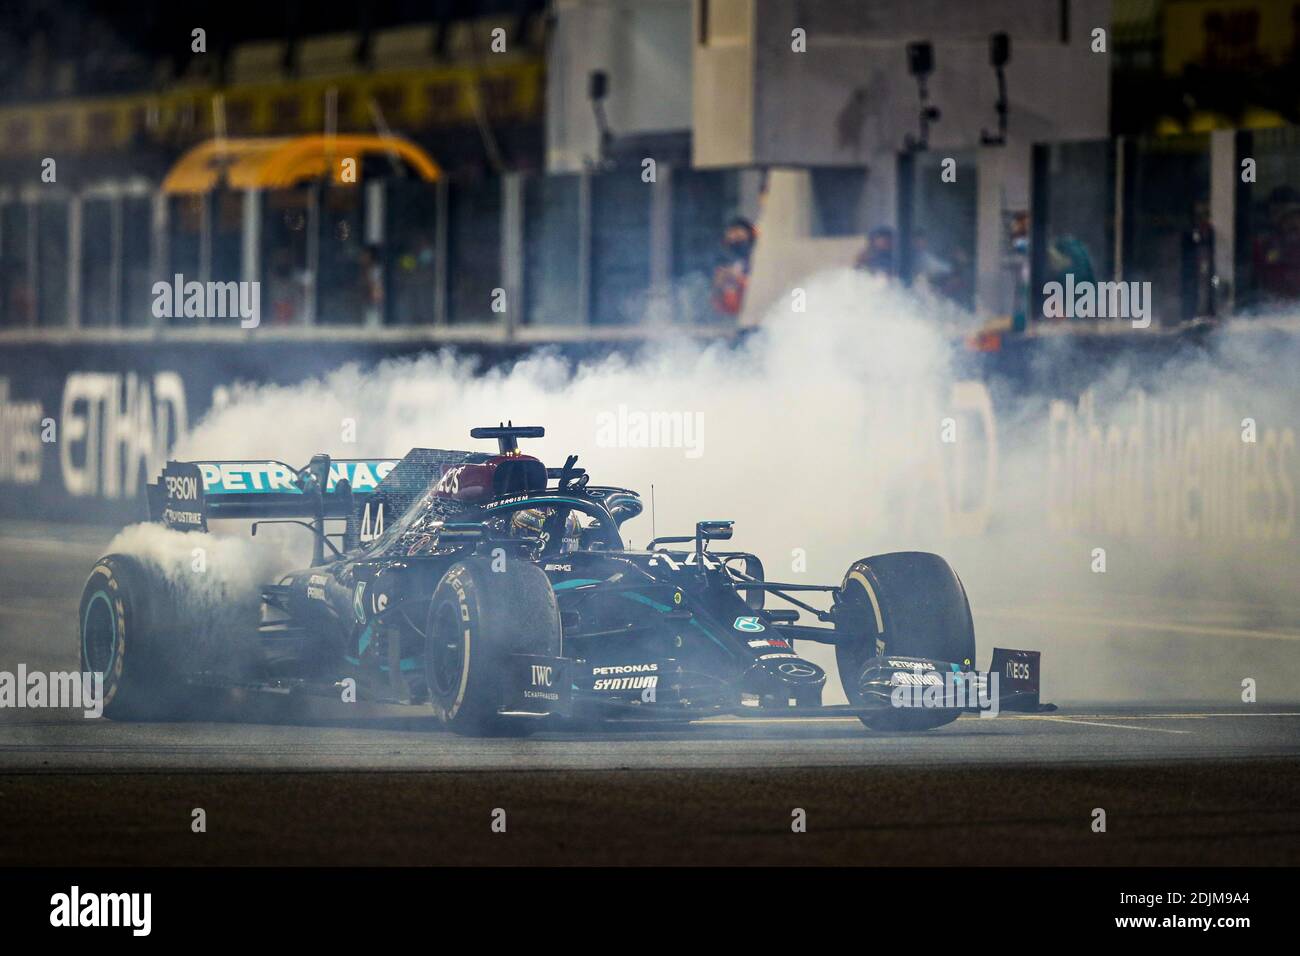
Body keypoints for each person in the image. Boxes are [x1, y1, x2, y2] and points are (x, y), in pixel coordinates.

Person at [710, 217, 757, 316]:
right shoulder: (721, 257)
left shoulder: (756, 256)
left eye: (739, 236)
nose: (735, 238)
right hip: (725, 313)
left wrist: (739, 278)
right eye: (732, 235)